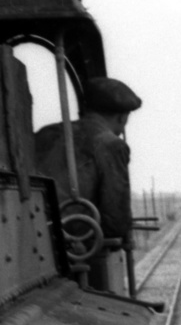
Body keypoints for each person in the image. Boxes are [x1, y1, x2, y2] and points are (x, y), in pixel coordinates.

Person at [35, 77, 141, 293]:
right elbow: (115, 220)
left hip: (33, 247)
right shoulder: (112, 145)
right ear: (122, 117)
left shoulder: (46, 133)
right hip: (76, 254)